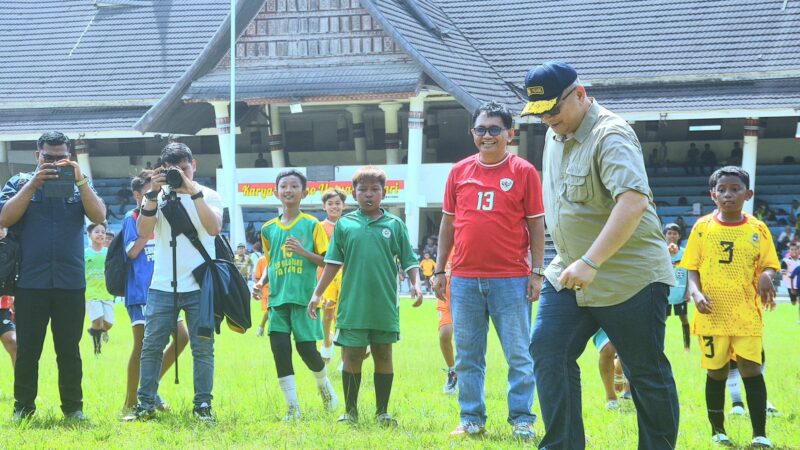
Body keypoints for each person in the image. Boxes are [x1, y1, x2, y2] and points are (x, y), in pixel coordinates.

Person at [520, 61, 679, 450]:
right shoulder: (555, 134)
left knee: (644, 371)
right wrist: (577, 262)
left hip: (629, 278)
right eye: (539, 114)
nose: (547, 120)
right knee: (548, 349)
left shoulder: (612, 134)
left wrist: (592, 261)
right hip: (570, 272)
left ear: (580, 94)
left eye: (553, 110)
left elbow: (633, 202)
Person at [433, 101, 544, 441]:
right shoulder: (459, 171)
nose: (487, 136)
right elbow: (448, 224)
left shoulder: (524, 171)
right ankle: (471, 419)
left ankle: (522, 419)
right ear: (472, 134)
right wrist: (439, 269)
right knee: (468, 356)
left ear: (510, 134)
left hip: (510, 279)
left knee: (519, 354)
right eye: (480, 129)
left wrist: (537, 270)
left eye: (495, 129)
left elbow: (537, 226)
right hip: (464, 278)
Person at [0, 131, 107, 421]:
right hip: (30, 281)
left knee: (69, 349)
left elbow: (99, 216)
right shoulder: (20, 183)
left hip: (70, 282)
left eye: (61, 157)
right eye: (49, 157)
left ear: (69, 156)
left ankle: (73, 408)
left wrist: (81, 180)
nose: (55, 163)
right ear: (38, 156)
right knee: (28, 351)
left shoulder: (79, 184)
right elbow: (4, 218)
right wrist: (34, 182)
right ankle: (23, 407)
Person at [309, 166, 423, 426]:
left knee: (383, 354)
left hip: (384, 303)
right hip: (353, 303)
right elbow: (332, 263)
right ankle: (350, 412)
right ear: (354, 193)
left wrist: (416, 283)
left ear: (384, 192)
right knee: (352, 355)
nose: (369, 194)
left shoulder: (395, 224)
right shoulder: (345, 225)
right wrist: (317, 294)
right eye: (363, 190)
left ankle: (382, 412)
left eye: (375, 189)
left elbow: (409, 259)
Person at [123, 142, 223, 422]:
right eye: (172, 171)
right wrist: (153, 195)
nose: (179, 175)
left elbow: (214, 228)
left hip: (199, 284)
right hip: (162, 285)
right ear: (161, 171)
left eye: (184, 169)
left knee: (203, 347)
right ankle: (145, 405)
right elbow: (143, 233)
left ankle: (203, 405)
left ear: (194, 166)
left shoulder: (210, 195)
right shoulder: (156, 197)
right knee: (151, 346)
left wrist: (194, 192)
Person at [681, 166, 779, 448]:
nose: (728, 195)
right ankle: (718, 431)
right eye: (722, 190)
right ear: (713, 195)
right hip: (711, 314)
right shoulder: (702, 228)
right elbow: (691, 267)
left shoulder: (757, 228)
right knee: (717, 372)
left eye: (735, 189)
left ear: (747, 194)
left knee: (751, 369)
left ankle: (760, 433)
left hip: (746, 314)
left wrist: (766, 276)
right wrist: (696, 293)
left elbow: (771, 264)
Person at [254, 169, 337, 420]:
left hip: (304, 300)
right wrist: (261, 282)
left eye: (293, 186)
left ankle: (325, 387)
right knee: (279, 350)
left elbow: (327, 259)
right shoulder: (268, 228)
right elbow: (272, 261)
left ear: (304, 192)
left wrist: (302, 251)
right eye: (283, 186)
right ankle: (293, 408)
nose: (288, 190)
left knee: (307, 351)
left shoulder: (312, 224)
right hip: (277, 300)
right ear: (275, 192)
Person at [121, 170, 189, 411]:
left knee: (183, 337)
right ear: (139, 195)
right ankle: (130, 402)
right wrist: (147, 229)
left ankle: (150, 387)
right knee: (142, 346)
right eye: (150, 192)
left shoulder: (164, 214)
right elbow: (131, 252)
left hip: (166, 288)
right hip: (141, 291)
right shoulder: (131, 218)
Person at [318, 188, 346, 364]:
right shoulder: (319, 227)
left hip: (347, 275)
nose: (334, 207)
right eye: (330, 203)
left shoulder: (349, 224)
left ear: (344, 205)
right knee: (328, 313)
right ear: (324, 207)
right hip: (326, 275)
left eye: (338, 203)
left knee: (344, 315)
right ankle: (327, 343)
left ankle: (345, 357)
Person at [85, 222, 114, 355]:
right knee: (97, 319)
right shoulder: (84, 254)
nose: (101, 234)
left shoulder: (109, 253)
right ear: (90, 235)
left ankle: (94, 331)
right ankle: (97, 349)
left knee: (108, 324)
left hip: (107, 293)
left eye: (103, 232)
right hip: (90, 293)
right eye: (97, 232)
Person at [664, 223, 691, 352]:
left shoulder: (685, 253)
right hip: (665, 294)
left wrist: (688, 292)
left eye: (675, 233)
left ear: (679, 236)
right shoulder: (661, 253)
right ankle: (660, 346)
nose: (672, 236)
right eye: (669, 233)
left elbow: (690, 273)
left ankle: (687, 347)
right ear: (665, 235)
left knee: (684, 319)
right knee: (662, 320)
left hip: (680, 293)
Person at [437, 255, 456, 395]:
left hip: (467, 299)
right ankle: (452, 371)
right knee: (444, 335)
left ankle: (471, 375)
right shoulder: (446, 247)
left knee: (468, 341)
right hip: (446, 300)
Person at [780, 243, 799, 323]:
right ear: (789, 250)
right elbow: (783, 273)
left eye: (795, 249)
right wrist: (793, 273)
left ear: (798, 250)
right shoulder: (785, 261)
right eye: (792, 249)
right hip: (790, 285)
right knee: (793, 302)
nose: (794, 251)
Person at [253, 254, 269, 337]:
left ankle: (262, 328)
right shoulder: (261, 260)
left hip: (279, 287)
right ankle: (261, 327)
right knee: (270, 309)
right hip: (266, 289)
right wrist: (259, 288)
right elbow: (257, 277)